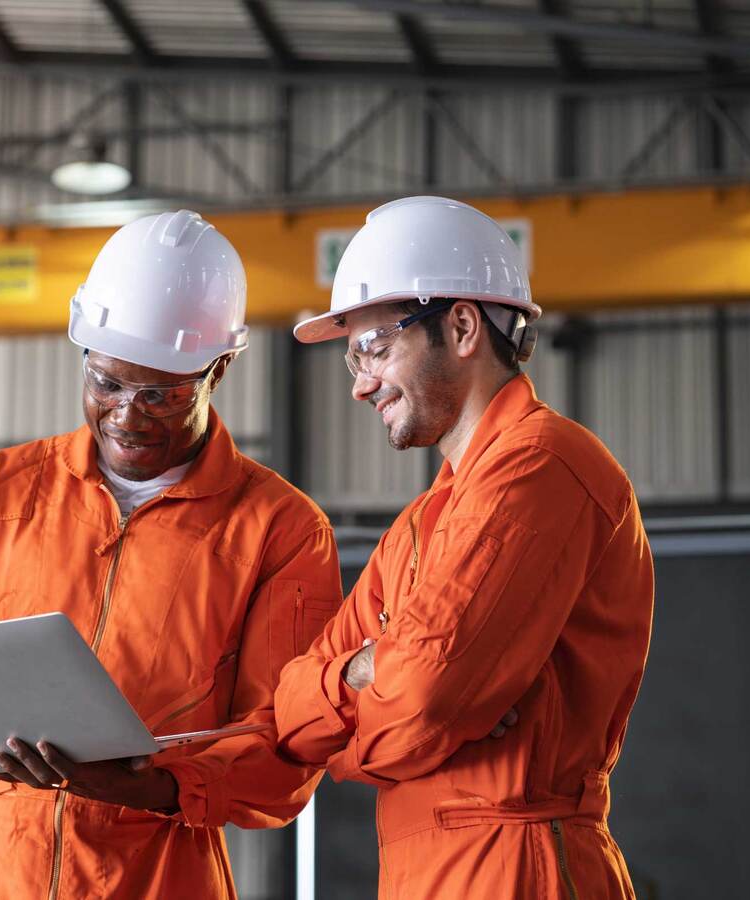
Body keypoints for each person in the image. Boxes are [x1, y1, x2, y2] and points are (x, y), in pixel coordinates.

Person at [0, 209, 342, 899]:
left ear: (219, 366)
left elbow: (284, 753)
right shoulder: (2, 492)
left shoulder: (279, 530)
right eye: (108, 383)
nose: (127, 415)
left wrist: (150, 785)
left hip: (159, 874)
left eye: (160, 393)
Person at [274, 196, 654, 899]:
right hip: (428, 874)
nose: (360, 384)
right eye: (353, 355)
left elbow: (420, 703)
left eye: (374, 347)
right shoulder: (422, 523)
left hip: (521, 872)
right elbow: (295, 719)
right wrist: (364, 672)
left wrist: (377, 710)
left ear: (461, 325)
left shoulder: (542, 465)